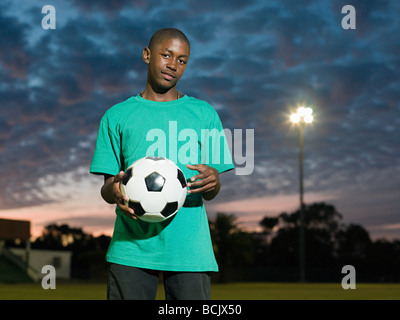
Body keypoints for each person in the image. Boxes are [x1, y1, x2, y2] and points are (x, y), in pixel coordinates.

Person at [90, 28, 234, 300]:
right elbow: (107, 188)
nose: (173, 65)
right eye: (166, 55)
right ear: (147, 55)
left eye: (182, 60)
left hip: (190, 250)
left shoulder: (204, 113)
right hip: (130, 247)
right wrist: (115, 191)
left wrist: (213, 180)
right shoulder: (116, 116)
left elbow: (213, 190)